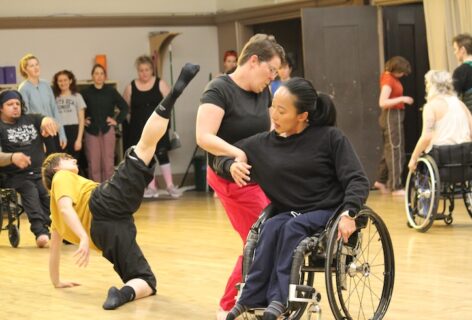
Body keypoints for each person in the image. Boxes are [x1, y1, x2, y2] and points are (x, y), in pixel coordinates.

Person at [40, 63, 200, 310]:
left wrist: (57, 281)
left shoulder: (55, 221)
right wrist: (81, 238)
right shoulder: (61, 178)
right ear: (55, 169)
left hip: (106, 235)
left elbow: (54, 251)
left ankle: (121, 294)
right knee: (143, 149)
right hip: (103, 204)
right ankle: (173, 95)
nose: (71, 159)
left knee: (146, 281)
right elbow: (65, 208)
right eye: (66, 158)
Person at [213, 77, 369, 320]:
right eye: (273, 106)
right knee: (271, 226)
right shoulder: (263, 145)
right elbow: (219, 157)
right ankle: (250, 296)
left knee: (291, 227)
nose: (273, 114)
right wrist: (230, 164)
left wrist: (350, 213)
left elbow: (357, 179)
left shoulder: (330, 138)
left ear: (302, 115)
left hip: (328, 210)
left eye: (281, 110)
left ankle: (279, 298)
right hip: (290, 212)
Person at [196, 33, 285, 320]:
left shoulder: (264, 92)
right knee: (260, 238)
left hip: (258, 174)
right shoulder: (219, 89)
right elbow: (203, 136)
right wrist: (237, 154)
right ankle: (227, 306)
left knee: (276, 233)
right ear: (253, 61)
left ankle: (263, 298)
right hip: (229, 177)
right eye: (271, 70)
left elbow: (270, 131)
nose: (272, 78)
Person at [0, 89, 58, 248]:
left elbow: (43, 119)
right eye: (10, 104)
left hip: (40, 172)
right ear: (1, 108)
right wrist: (12, 157)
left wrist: (46, 120)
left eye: (17, 104)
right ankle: (40, 232)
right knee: (31, 191)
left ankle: (57, 229)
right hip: (14, 175)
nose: (15, 107)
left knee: (48, 194)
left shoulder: (31, 119)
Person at [123, 55, 182, 198]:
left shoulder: (160, 83)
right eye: (141, 70)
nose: (144, 73)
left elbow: (170, 103)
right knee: (145, 157)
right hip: (138, 127)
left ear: (152, 70)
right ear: (138, 71)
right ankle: (151, 187)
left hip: (158, 126)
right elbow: (126, 108)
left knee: (162, 154)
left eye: (147, 70)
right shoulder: (131, 87)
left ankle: (170, 186)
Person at [408, 70, 472, 172]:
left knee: (423, 155)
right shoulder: (460, 104)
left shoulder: (431, 106)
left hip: (442, 157)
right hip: (464, 154)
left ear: (431, 86)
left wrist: (413, 157)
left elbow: (426, 137)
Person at [373, 56, 414, 196]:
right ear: (396, 69)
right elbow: (382, 102)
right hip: (391, 116)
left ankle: (381, 180)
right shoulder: (388, 79)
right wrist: (402, 99)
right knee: (395, 150)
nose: (403, 75)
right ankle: (395, 186)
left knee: (389, 149)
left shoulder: (391, 78)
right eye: (402, 72)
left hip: (395, 116)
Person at [81, 64, 128, 183]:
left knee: (108, 163)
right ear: (92, 76)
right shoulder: (85, 92)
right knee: (94, 163)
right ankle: (96, 191)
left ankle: (109, 191)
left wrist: (116, 120)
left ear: (105, 76)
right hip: (91, 131)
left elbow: (125, 107)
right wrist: (83, 120)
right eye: (96, 73)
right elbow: (79, 110)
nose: (99, 76)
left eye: (101, 73)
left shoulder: (111, 91)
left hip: (107, 130)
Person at [18, 53, 67, 154]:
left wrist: (62, 133)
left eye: (37, 64)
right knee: (45, 166)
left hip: (54, 131)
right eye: (31, 66)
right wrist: (38, 139)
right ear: (25, 69)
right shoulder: (23, 88)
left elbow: (54, 109)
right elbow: (26, 116)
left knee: (57, 164)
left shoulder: (46, 84)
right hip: (40, 134)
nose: (36, 68)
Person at [52, 70, 86, 170]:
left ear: (70, 81)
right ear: (57, 83)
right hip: (59, 132)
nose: (63, 83)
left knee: (73, 163)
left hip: (73, 131)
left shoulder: (77, 96)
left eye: (65, 80)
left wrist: (79, 140)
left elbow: (81, 119)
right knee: (60, 163)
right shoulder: (54, 98)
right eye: (60, 81)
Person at [452, 33, 472, 112]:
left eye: (455, 49)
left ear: (462, 50)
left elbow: (452, 97)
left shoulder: (460, 71)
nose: (454, 53)